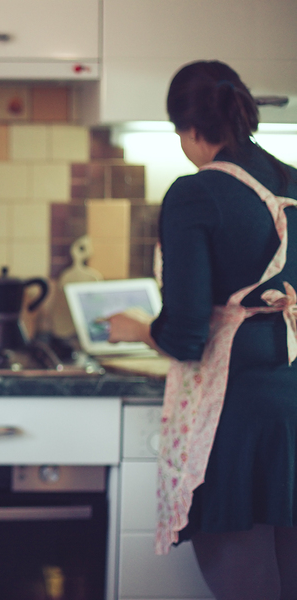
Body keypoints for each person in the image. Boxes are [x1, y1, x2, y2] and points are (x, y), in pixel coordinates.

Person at [106, 60, 297, 599]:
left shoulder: (196, 193)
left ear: (189, 129)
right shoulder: (292, 182)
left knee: (246, 587)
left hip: (234, 415)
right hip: (292, 401)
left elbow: (186, 334)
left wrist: (139, 328)